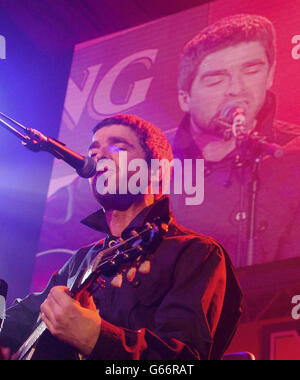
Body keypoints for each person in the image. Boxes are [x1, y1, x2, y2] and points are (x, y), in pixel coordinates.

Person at [0, 114, 242, 360]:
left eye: (117, 147)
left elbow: (183, 361)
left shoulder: (196, 253)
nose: (98, 156)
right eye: (93, 150)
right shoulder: (82, 260)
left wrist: (95, 337)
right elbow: (15, 323)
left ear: (157, 172)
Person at [171, 14, 300, 268]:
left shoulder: (294, 153)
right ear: (185, 98)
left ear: (270, 75)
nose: (236, 89)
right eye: (216, 80)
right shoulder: (149, 159)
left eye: (252, 71)